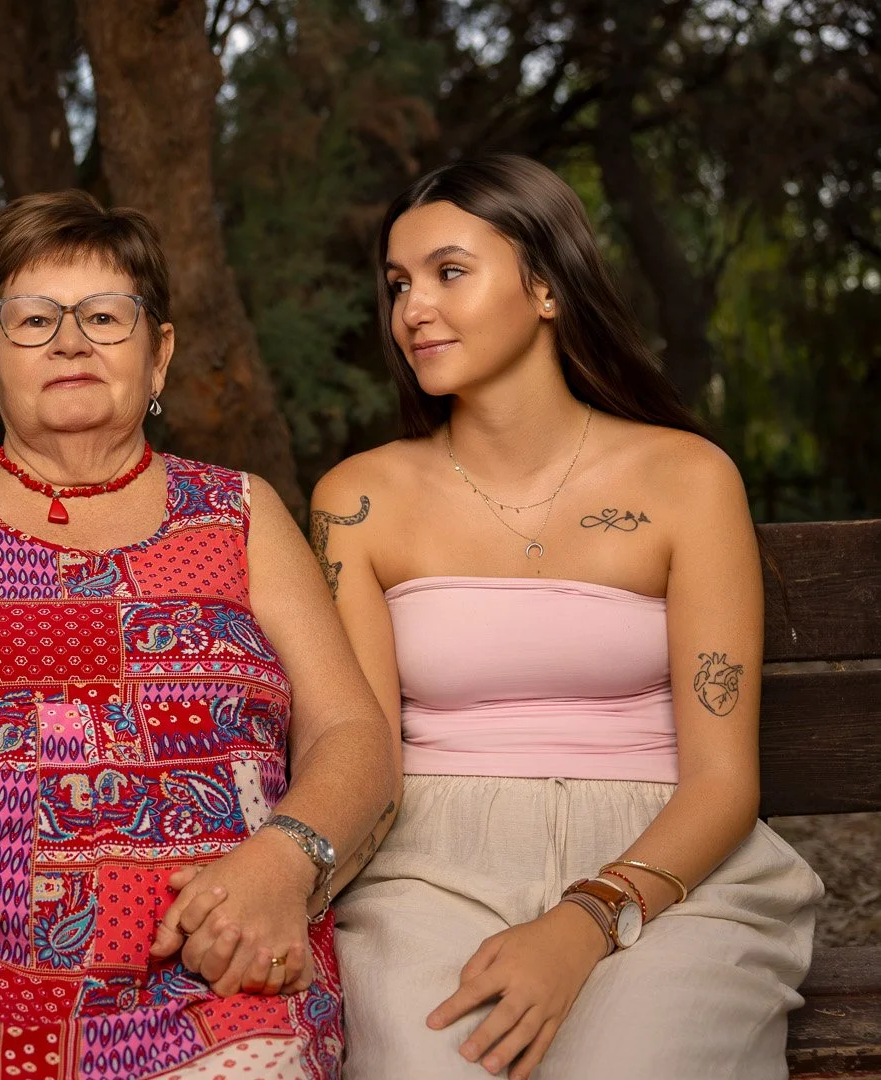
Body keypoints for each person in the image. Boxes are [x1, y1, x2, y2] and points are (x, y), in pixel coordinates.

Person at [0, 189, 396, 1079]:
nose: (71, 341)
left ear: (159, 355)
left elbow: (351, 732)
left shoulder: (240, 513)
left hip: (222, 968)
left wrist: (286, 863)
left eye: (105, 316)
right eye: (33, 319)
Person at [313, 154, 822, 1080]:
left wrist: (587, 919)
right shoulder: (359, 499)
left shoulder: (688, 480)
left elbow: (723, 782)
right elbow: (366, 759)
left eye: (449, 272)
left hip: (668, 862)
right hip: (430, 868)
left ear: (545, 287)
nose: (412, 309)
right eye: (398, 284)